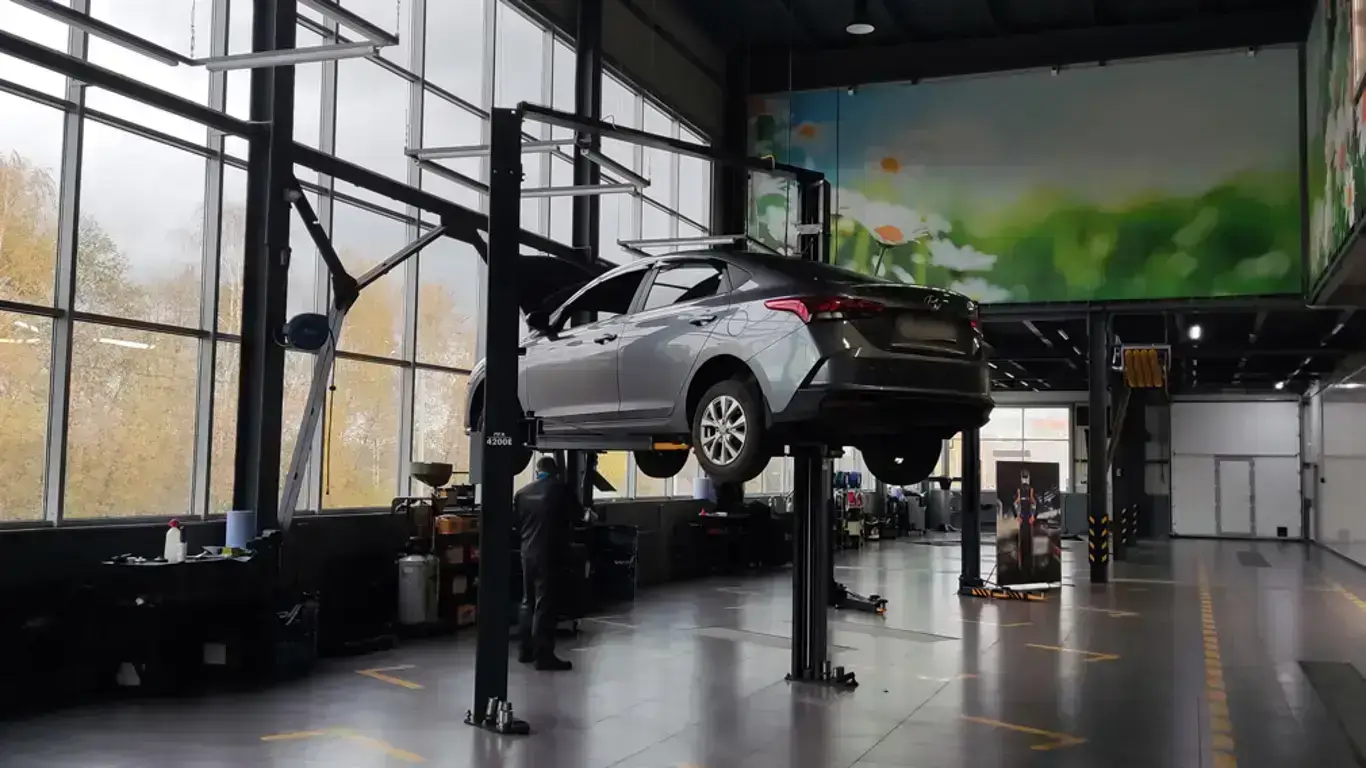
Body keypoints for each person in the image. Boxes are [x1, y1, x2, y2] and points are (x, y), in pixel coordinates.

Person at [514, 455, 579, 671]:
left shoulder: (522, 493)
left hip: (527, 553)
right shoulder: (560, 489)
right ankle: (543, 656)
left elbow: (517, 523)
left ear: (537, 472)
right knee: (545, 604)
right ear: (555, 472)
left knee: (527, 601)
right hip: (550, 554)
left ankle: (525, 651)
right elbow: (577, 515)